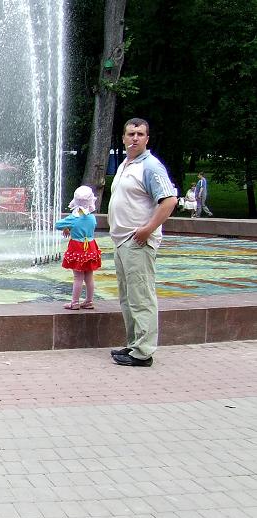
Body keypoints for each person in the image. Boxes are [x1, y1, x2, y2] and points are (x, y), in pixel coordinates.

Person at [107, 117, 177, 367]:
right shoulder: (125, 164)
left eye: (140, 134)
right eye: (130, 134)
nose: (134, 138)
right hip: (123, 241)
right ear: (123, 138)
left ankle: (143, 352)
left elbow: (169, 200)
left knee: (141, 297)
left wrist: (148, 229)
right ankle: (134, 344)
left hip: (137, 241)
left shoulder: (151, 166)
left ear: (147, 138)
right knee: (128, 298)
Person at [58, 185, 101, 310]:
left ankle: (75, 302)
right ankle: (89, 301)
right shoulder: (92, 217)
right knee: (89, 276)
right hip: (90, 247)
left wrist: (67, 227)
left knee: (78, 276)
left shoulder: (73, 218)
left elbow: (58, 224)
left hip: (77, 247)